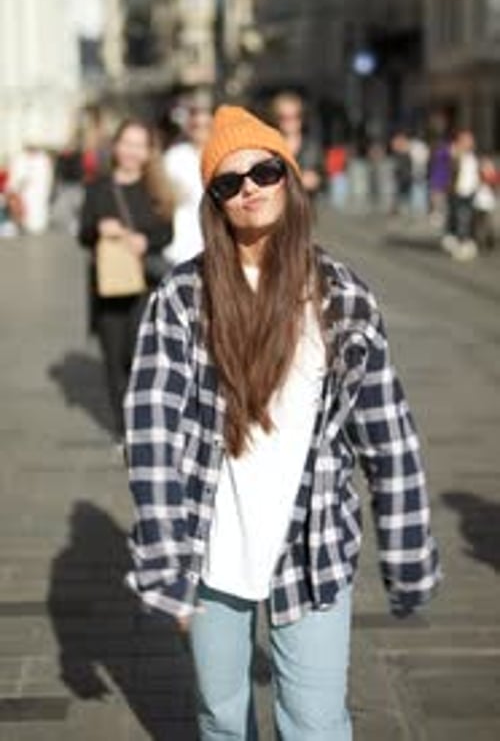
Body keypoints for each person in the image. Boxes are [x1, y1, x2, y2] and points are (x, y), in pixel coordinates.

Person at [124, 106, 441, 741]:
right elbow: (151, 429)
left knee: (316, 725)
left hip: (313, 543)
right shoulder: (183, 298)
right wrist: (165, 558)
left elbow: (387, 432)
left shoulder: (342, 297)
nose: (249, 189)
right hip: (213, 551)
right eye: (228, 182)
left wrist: (408, 558)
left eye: (265, 171)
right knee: (220, 718)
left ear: (289, 180)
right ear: (213, 202)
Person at [79, 119, 173, 441]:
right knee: (114, 361)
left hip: (144, 285)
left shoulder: (156, 186)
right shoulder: (98, 187)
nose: (132, 151)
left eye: (139, 145)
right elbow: (83, 234)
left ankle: (146, 421)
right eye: (127, 143)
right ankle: (125, 432)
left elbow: (166, 232)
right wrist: (99, 229)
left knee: (139, 356)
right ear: (116, 146)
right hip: (108, 286)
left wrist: (145, 241)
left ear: (148, 152)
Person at [161, 102, 211, 265]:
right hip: (182, 245)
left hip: (214, 241)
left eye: (206, 126)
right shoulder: (174, 156)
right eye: (196, 126)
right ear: (188, 128)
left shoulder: (223, 155)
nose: (201, 131)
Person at [271, 91, 323, 196]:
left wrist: (317, 180)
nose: (291, 122)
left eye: (295, 116)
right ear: (276, 119)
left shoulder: (312, 147)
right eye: (284, 117)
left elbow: (324, 178)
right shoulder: (270, 147)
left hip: (307, 206)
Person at [442, 129, 480, 261]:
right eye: (467, 140)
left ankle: (464, 243)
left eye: (471, 140)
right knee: (461, 218)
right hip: (458, 192)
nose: (470, 142)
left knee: (467, 219)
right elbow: (446, 169)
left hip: (471, 191)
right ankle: (461, 245)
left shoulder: (472, 155)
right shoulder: (454, 153)